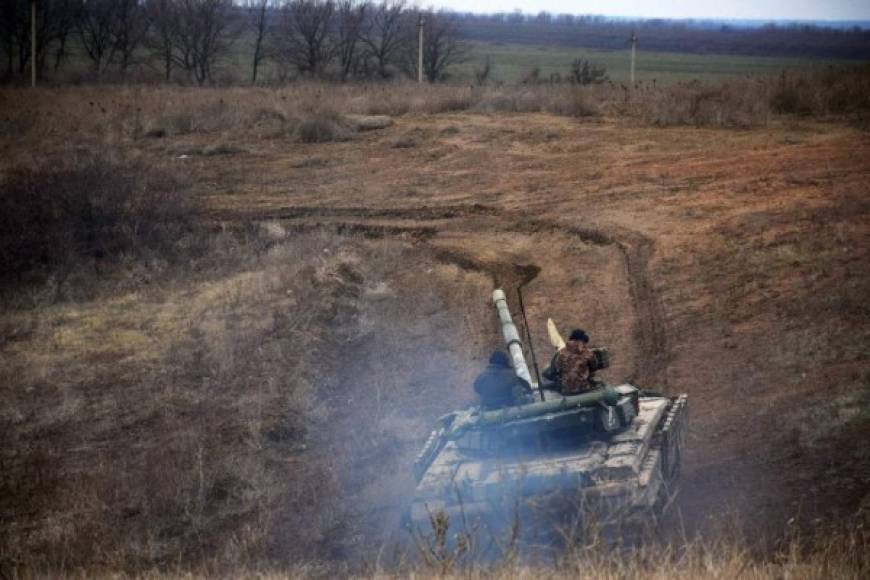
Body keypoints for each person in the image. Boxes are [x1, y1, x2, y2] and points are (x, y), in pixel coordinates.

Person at [543, 329, 600, 395]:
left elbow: (555, 369)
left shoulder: (561, 352)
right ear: (582, 341)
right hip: (583, 389)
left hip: (566, 390)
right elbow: (594, 367)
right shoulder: (588, 353)